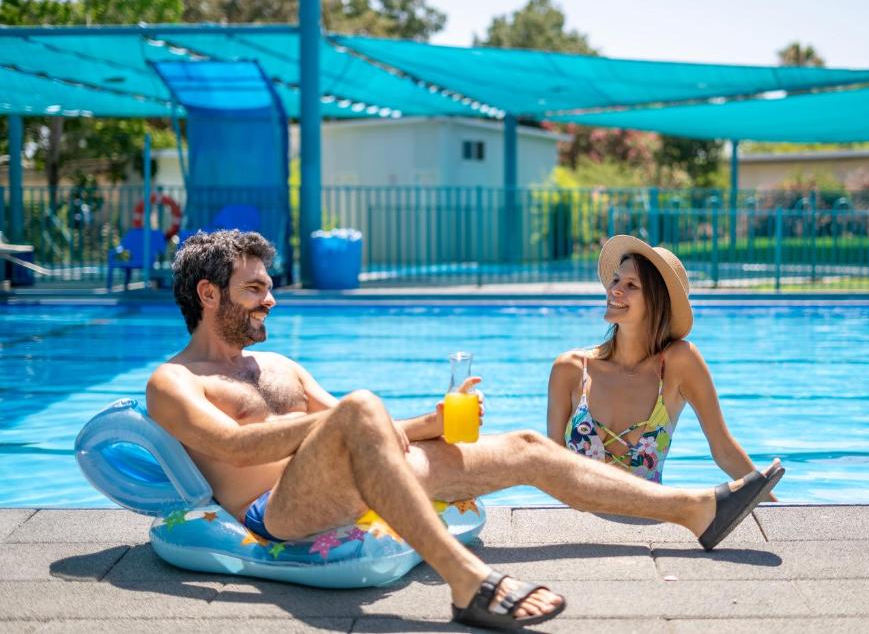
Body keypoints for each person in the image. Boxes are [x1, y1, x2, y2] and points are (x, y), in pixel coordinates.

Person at [147, 230, 784, 631]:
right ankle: (468, 584)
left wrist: (428, 423)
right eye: (256, 288)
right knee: (360, 404)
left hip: (343, 478)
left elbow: (361, 430)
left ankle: (698, 511)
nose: (271, 300)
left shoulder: (280, 366)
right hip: (278, 510)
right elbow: (231, 445)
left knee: (527, 448)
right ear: (209, 293)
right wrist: (349, 421)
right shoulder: (174, 381)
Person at [548, 235, 776, 500]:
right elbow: (551, 465)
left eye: (631, 285)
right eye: (616, 280)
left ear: (656, 301)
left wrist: (776, 513)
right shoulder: (571, 369)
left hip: (651, 518)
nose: (615, 290)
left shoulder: (678, 363)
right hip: (579, 521)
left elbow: (723, 449)